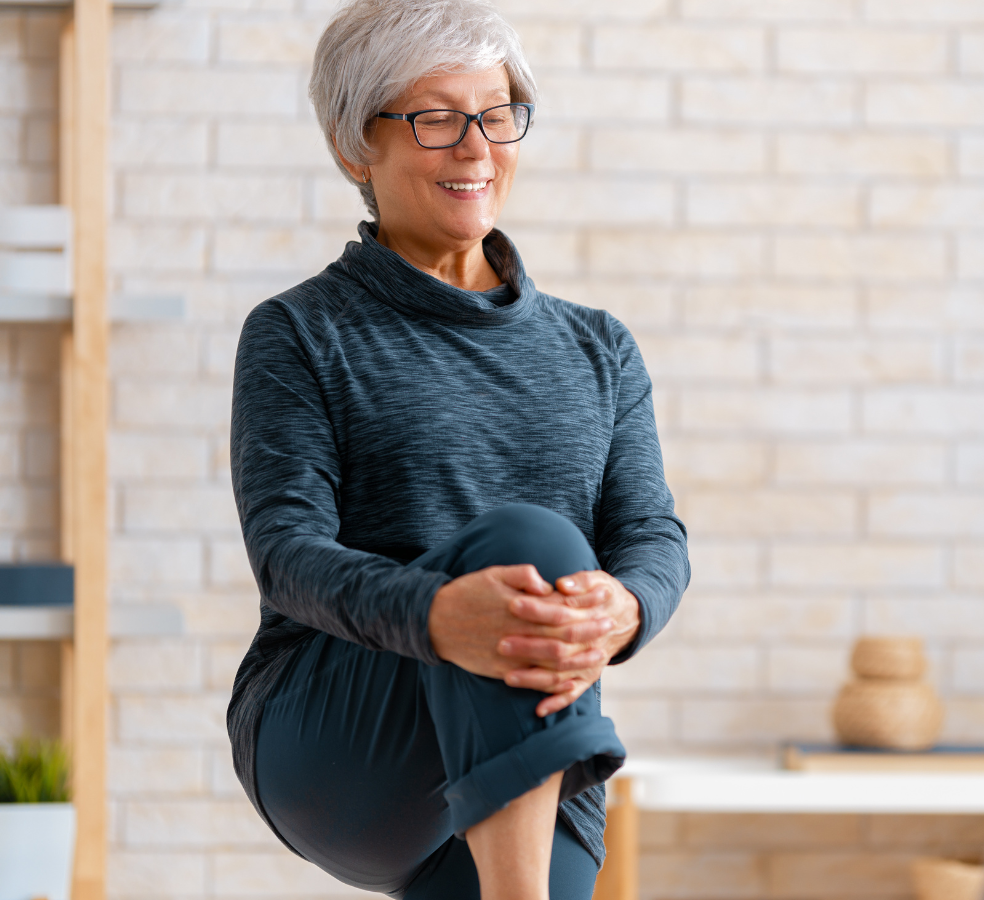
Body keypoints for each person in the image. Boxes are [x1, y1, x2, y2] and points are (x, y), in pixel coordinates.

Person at [225, 1, 690, 898]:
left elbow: (652, 536)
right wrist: (442, 616)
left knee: (555, 571)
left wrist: (624, 610)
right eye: (436, 118)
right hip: (337, 733)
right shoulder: (301, 333)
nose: (477, 147)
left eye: (498, 112)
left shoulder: (600, 348)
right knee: (537, 547)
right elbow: (287, 557)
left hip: (529, 739)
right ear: (353, 145)